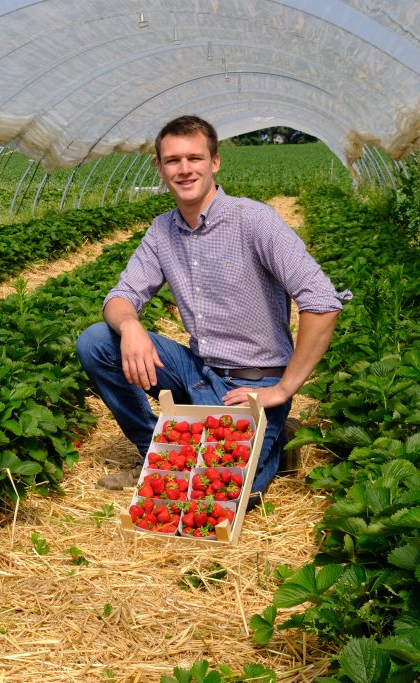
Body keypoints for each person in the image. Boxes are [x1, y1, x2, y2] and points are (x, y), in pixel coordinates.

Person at [76, 115, 350, 504]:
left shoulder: (255, 221)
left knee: (221, 493)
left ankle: (276, 437)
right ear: (159, 168)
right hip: (197, 371)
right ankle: (152, 449)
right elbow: (121, 296)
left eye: (194, 158)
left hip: (253, 383)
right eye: (173, 160)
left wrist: (285, 388)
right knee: (99, 340)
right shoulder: (162, 230)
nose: (184, 169)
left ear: (215, 162)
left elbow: (321, 302)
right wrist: (131, 326)